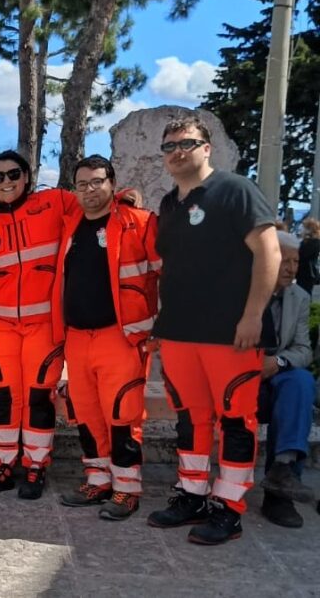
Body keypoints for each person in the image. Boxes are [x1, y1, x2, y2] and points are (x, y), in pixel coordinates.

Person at [147, 116, 281, 545]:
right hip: (179, 333)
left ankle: (229, 507)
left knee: (237, 420)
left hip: (231, 333)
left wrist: (253, 315)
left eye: (186, 143)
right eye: (169, 146)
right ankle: (192, 494)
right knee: (190, 419)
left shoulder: (236, 190)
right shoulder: (169, 204)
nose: (177, 152)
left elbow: (269, 252)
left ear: (207, 148)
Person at [0, 149, 76, 500]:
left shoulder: (55, 203)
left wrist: (124, 198)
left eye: (13, 174)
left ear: (26, 177)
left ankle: (36, 465)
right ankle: (0, 466)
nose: (6, 182)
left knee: (39, 395)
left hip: (44, 324)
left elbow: (95, 204)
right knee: (3, 396)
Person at [51, 155, 159, 520]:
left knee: (122, 414)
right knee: (85, 413)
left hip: (120, 337)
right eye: (82, 184)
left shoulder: (138, 221)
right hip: (77, 337)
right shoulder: (70, 225)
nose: (90, 190)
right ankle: (97, 480)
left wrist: (163, 324)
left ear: (112, 182)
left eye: (97, 181)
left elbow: (167, 273)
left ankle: (126, 489)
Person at [256, 230, 317, 527]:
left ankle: (281, 481)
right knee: (293, 392)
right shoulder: (243, 290)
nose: (292, 269)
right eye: (285, 261)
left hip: (278, 376)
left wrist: (278, 362)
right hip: (242, 377)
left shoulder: (299, 297)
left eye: (296, 262)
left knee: (300, 383)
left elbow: (304, 350)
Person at [296, 217, 319, 295]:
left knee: (304, 294)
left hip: (307, 273)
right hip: (305, 273)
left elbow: (302, 254)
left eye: (303, 227)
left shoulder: (313, 243)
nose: (301, 229)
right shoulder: (309, 242)